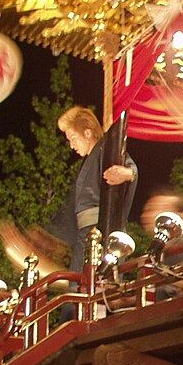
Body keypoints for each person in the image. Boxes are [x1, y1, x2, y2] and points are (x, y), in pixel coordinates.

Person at [53, 105, 138, 273]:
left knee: (88, 287)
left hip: (100, 232)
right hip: (86, 233)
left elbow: (130, 168)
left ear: (87, 133)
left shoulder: (106, 149)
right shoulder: (90, 159)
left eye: (72, 138)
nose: (71, 145)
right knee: (79, 286)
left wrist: (128, 174)